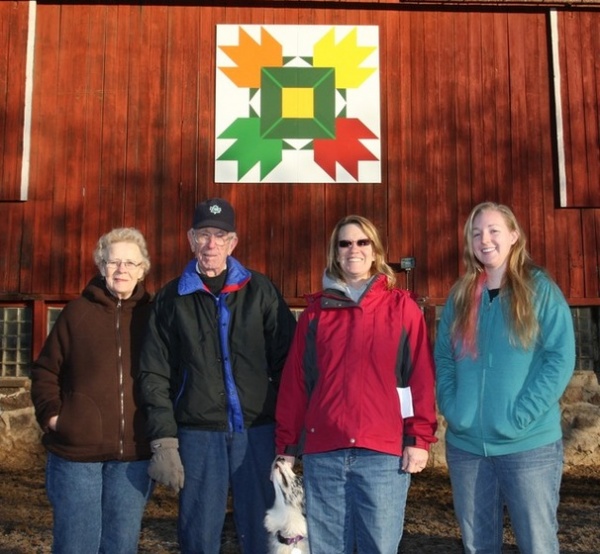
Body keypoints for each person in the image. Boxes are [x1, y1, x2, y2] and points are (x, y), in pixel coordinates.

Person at [138, 197, 297, 554]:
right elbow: (154, 371)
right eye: (204, 235)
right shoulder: (170, 299)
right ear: (191, 238)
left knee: (264, 527)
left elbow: (289, 362)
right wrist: (163, 438)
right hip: (198, 434)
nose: (211, 244)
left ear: (233, 242)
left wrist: (289, 428)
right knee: (198, 530)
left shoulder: (261, 292)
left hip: (257, 430)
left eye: (220, 235)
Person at [275, 214, 438, 554]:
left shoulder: (402, 309)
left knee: (378, 547)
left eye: (362, 242)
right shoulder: (315, 315)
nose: (354, 250)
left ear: (375, 251)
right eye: (345, 243)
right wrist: (286, 447)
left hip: (382, 455)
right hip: (325, 455)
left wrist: (418, 438)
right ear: (335, 253)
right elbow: (296, 385)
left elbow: (417, 378)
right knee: (328, 548)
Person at [434, 201, 576, 554]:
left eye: (494, 230)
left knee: (538, 544)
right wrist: (455, 410)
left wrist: (520, 417)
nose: (485, 239)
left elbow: (559, 359)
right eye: (477, 232)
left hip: (528, 446)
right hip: (467, 448)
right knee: (478, 546)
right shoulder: (461, 295)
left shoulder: (539, 290)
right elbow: (444, 358)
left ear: (514, 235)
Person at [30, 227, 154, 554]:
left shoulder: (154, 317)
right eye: (114, 262)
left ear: (143, 269)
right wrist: (56, 418)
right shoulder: (76, 313)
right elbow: (45, 370)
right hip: (76, 454)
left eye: (130, 262)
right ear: (101, 267)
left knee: (121, 545)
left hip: (134, 456)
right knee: (76, 545)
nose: (122, 269)